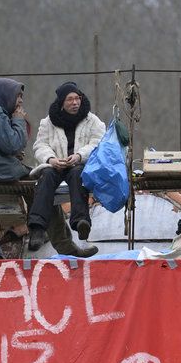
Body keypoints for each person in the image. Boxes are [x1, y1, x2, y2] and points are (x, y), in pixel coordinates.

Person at [0, 79, 96, 257]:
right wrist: (18, 120)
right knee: (42, 188)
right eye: (18, 96)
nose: (20, 101)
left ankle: (41, 232)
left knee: (43, 186)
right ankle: (52, 238)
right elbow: (15, 145)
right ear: (5, 95)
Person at [28, 81, 106, 251]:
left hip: (78, 164)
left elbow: (98, 143)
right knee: (46, 177)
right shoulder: (48, 122)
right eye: (70, 99)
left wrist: (79, 156)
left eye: (77, 98)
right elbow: (40, 145)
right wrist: (50, 159)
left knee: (78, 175)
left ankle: (81, 222)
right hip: (55, 164)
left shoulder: (92, 121)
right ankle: (37, 228)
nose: (75, 102)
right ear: (62, 102)